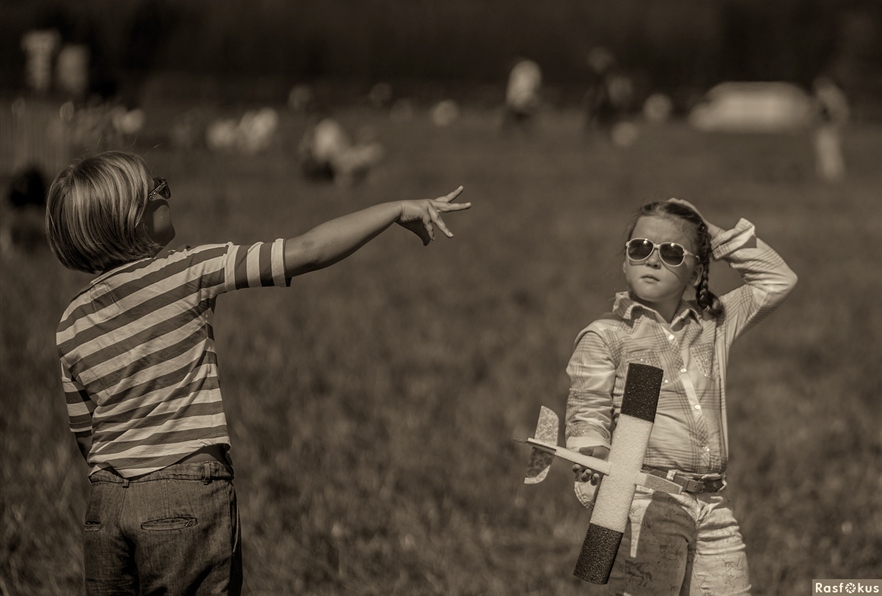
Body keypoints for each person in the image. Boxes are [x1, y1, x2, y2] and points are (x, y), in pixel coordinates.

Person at [45, 150, 471, 595]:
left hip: (105, 506)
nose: (166, 193)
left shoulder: (70, 322)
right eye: (159, 189)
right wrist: (396, 209)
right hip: (183, 496)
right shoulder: (188, 270)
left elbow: (88, 438)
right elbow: (307, 251)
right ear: (132, 217)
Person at [565, 199, 797, 594]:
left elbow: (778, 280)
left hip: (714, 504)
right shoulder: (606, 335)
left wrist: (716, 236)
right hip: (645, 503)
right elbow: (587, 409)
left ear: (694, 275)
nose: (652, 260)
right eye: (639, 248)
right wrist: (591, 450)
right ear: (625, 263)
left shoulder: (713, 324)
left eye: (672, 252)